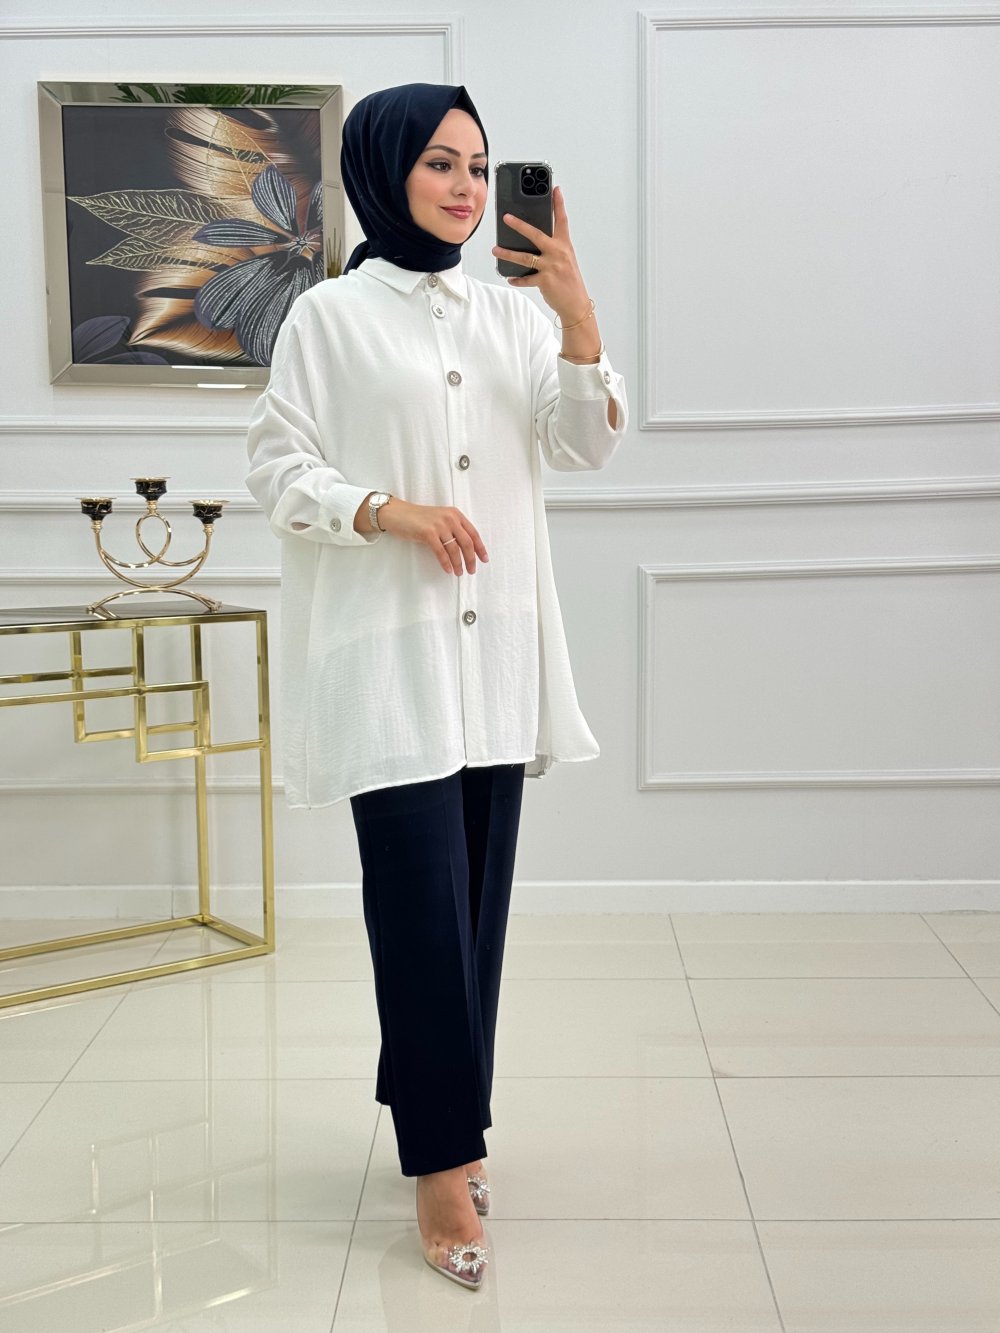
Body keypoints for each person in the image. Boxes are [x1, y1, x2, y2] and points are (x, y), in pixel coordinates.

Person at [246, 82, 627, 1290]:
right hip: (390, 654)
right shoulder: (328, 317)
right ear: (383, 171)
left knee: (471, 913)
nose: (465, 187)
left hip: (495, 654)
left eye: (477, 164)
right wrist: (384, 508)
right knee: (416, 908)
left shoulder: (513, 314)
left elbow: (583, 443)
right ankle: (441, 1164)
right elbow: (276, 467)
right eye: (439, 164)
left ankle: (439, 1106)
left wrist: (577, 316)